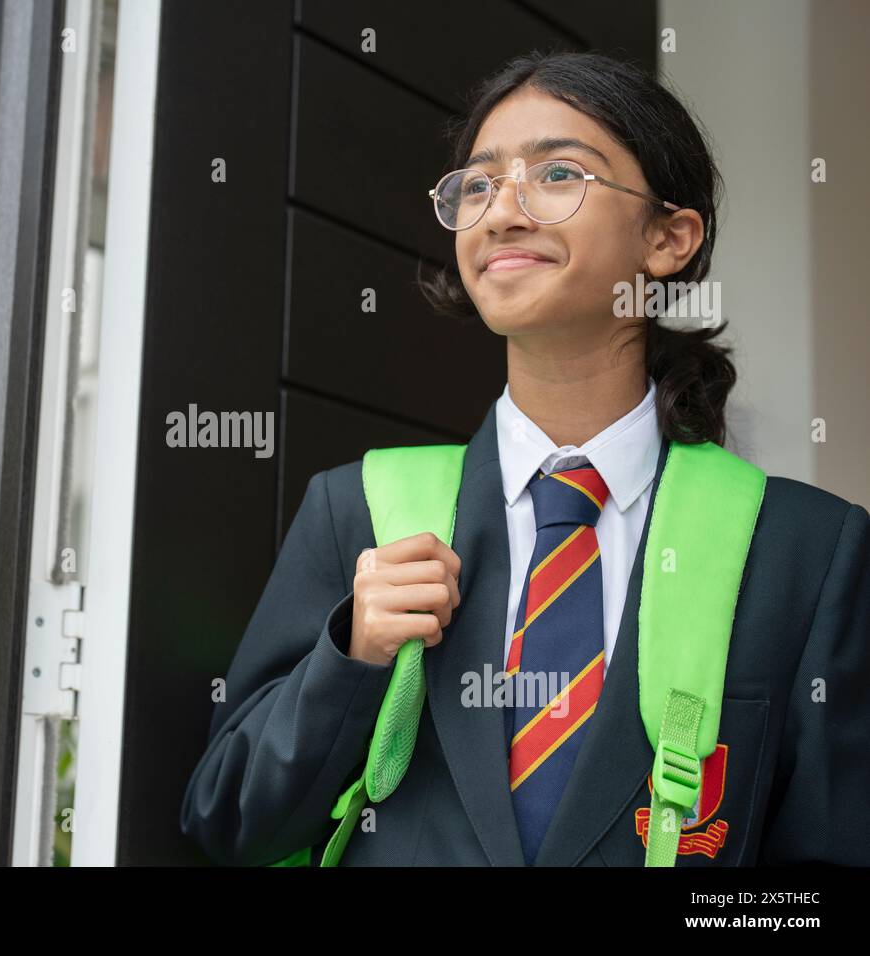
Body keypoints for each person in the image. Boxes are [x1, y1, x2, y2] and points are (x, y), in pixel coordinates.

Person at [178, 51, 870, 867]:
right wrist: (352, 657)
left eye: (557, 173)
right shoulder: (360, 510)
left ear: (669, 238)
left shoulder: (804, 549)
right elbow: (225, 821)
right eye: (477, 185)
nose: (502, 212)